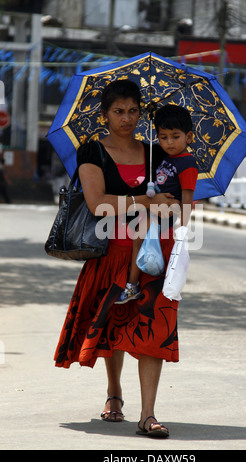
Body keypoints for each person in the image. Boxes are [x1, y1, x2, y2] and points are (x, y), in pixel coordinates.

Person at [54, 80, 181, 438]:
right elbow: (98, 203)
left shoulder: (158, 152)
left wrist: (170, 202)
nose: (127, 118)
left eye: (133, 111)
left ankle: (148, 414)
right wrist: (145, 200)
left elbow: (174, 203)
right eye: (118, 111)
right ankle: (114, 394)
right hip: (111, 253)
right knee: (113, 327)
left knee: (153, 329)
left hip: (154, 256)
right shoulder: (92, 152)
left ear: (142, 112)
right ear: (105, 114)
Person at [115, 104, 199, 304]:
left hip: (166, 212)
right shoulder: (167, 158)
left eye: (175, 136)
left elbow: (188, 197)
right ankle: (134, 284)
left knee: (139, 239)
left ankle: (132, 286)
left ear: (188, 137)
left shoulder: (187, 163)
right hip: (153, 209)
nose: (169, 142)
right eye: (163, 137)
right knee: (139, 240)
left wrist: (183, 227)